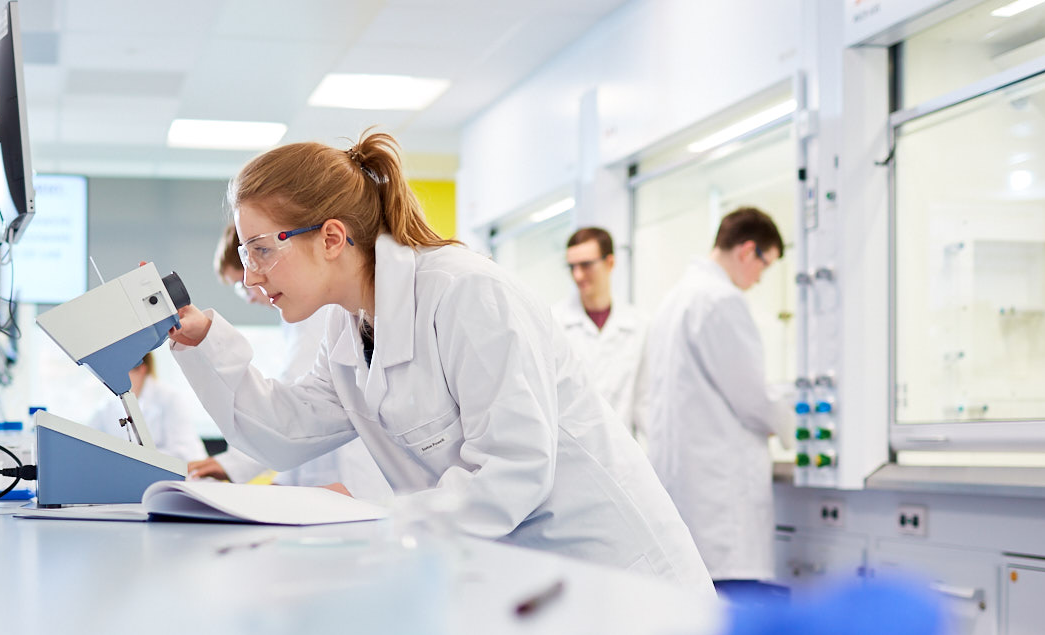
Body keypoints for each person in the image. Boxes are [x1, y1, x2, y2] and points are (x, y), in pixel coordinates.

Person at [166, 130, 711, 590]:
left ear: (332, 237)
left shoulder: (466, 294)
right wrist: (204, 345)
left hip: (618, 581)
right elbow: (284, 434)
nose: (253, 275)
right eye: (245, 254)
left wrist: (372, 518)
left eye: (261, 249)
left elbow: (511, 475)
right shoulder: (347, 325)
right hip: (528, 581)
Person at [640, 207, 793, 597]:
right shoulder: (721, 301)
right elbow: (753, 400)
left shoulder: (676, 299)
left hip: (686, 494)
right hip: (719, 507)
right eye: (765, 265)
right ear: (747, 251)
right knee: (729, 608)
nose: (759, 279)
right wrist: (793, 420)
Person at [186, 226, 393, 503]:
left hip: (353, 478)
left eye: (258, 258)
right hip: (331, 475)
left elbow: (295, 412)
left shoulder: (315, 312)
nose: (249, 287)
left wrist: (235, 466)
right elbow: (298, 415)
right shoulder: (301, 319)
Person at [551, 226, 648, 445]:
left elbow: (645, 402)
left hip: (624, 454)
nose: (577, 275)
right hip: (573, 452)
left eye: (586, 265)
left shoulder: (639, 325)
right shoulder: (555, 323)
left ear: (610, 263)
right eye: (572, 267)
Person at [85, 353, 208, 463]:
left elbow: (183, 453)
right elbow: (88, 440)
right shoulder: (108, 405)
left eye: (120, 372)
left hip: (186, 476)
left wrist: (134, 458)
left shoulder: (169, 398)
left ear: (142, 369)